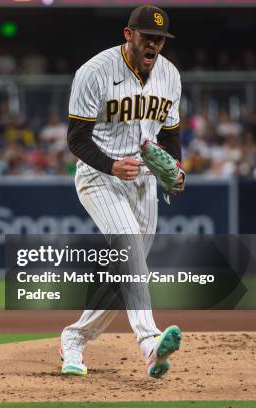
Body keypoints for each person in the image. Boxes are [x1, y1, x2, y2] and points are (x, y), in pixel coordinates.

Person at [61, 5, 185, 378]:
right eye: (148, 37)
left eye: (160, 39)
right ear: (129, 35)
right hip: (100, 174)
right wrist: (112, 165)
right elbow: (76, 139)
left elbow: (172, 137)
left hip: (145, 180)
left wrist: (175, 172)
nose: (154, 45)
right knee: (130, 246)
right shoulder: (94, 72)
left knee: (128, 270)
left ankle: (75, 339)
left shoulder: (170, 76)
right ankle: (150, 343)